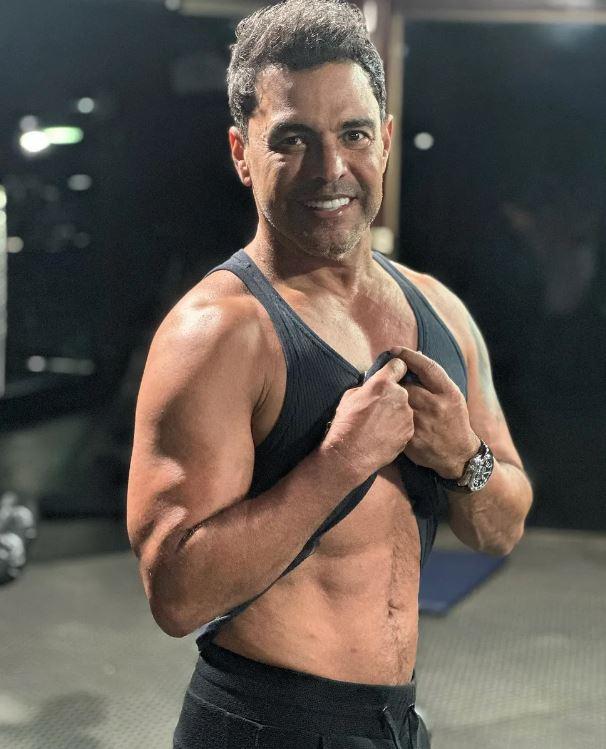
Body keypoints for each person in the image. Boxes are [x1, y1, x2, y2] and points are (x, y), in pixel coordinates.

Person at [126, 1, 533, 746]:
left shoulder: (438, 310)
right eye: (293, 140)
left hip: (394, 723)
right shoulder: (219, 332)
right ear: (242, 153)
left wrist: (461, 457)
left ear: (385, 140)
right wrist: (338, 463)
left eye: (353, 134)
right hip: (264, 723)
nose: (330, 169)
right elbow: (175, 596)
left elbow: (501, 526)